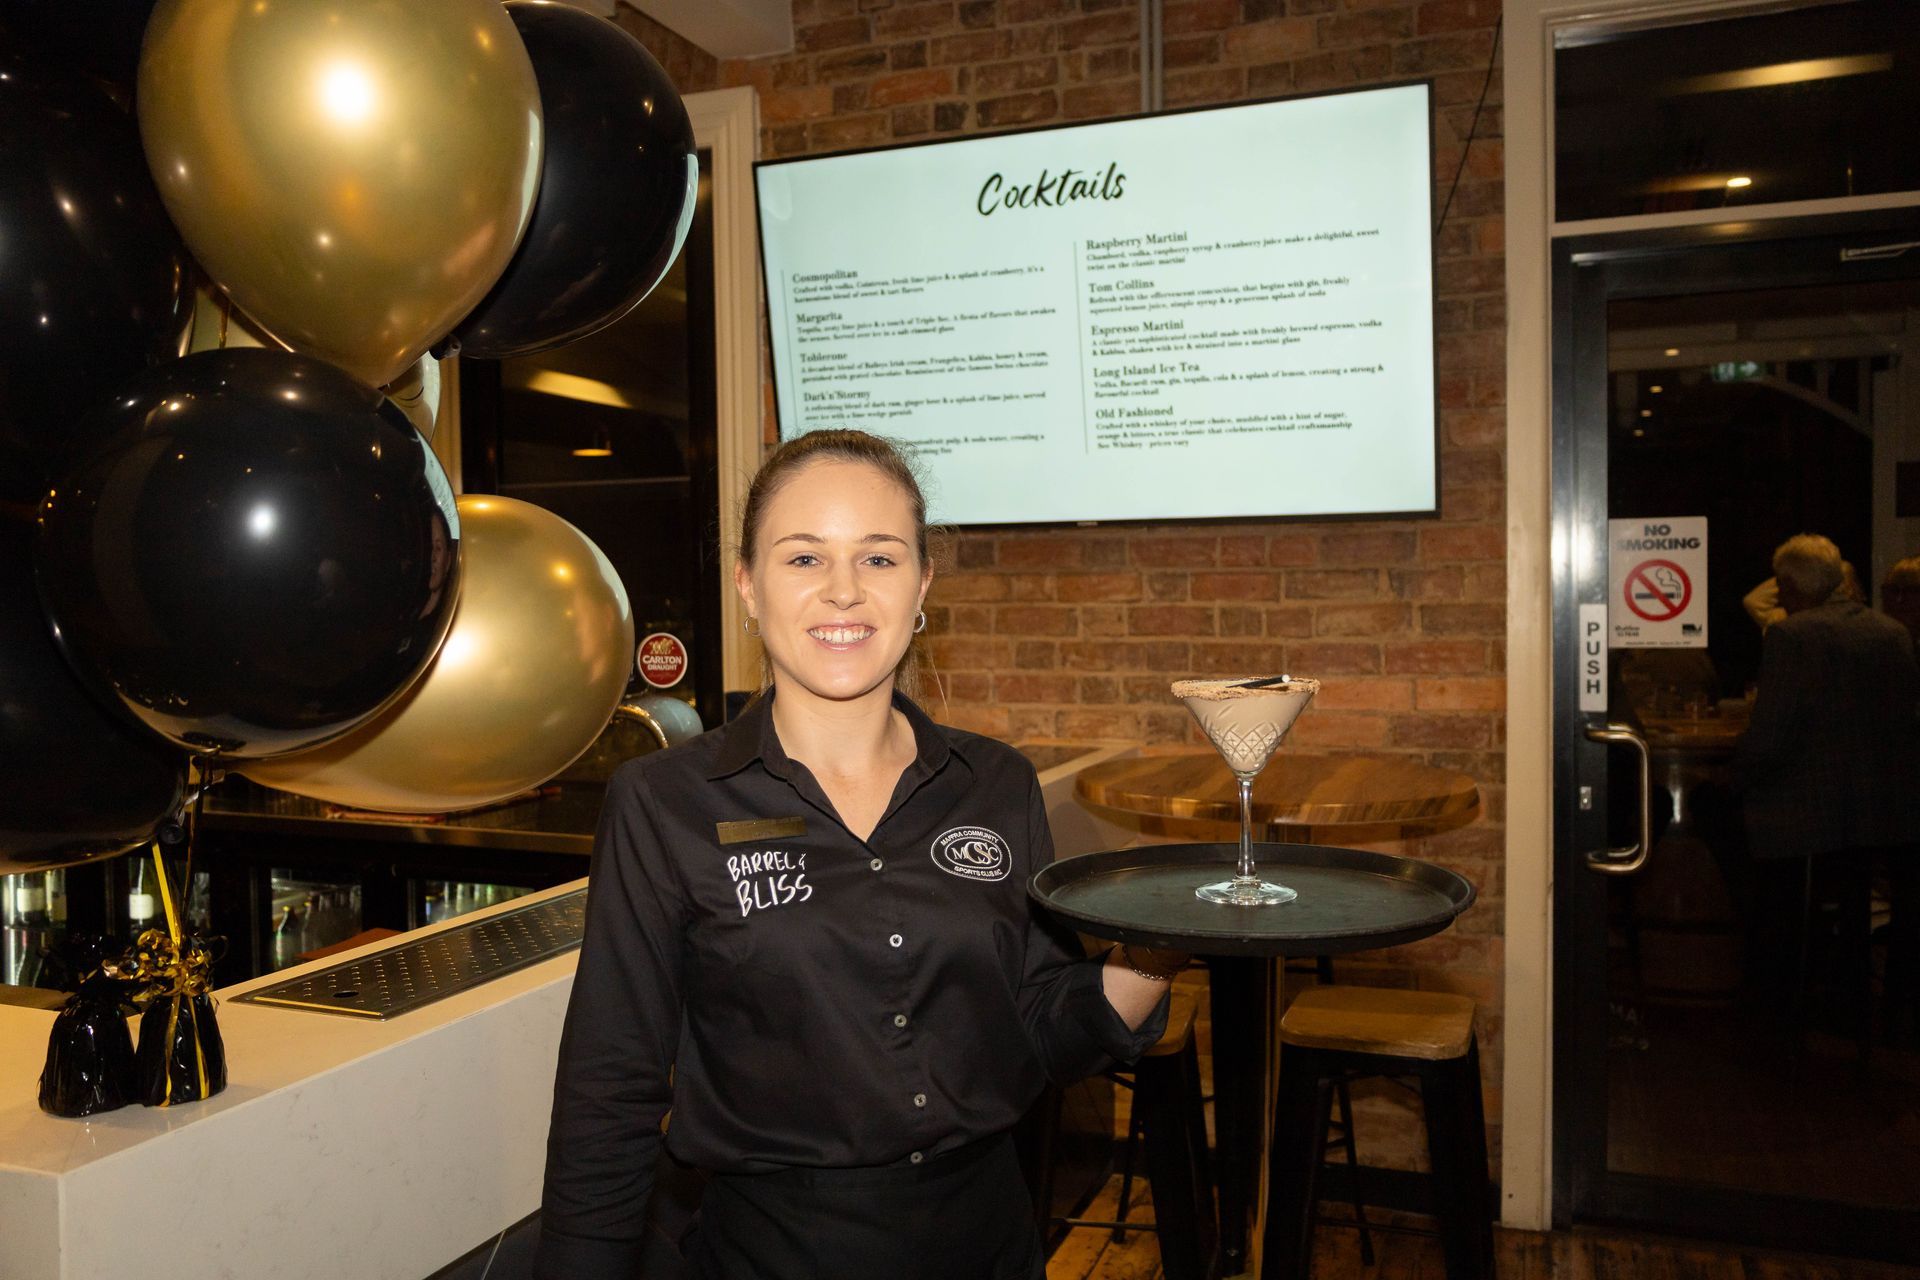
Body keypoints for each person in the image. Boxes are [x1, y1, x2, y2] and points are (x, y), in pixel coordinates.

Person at [534, 429, 1178, 1280]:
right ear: (749, 586)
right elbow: (608, 1091)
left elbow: (1040, 1029)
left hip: (988, 1241)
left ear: (922, 586)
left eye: (878, 559)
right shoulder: (664, 803)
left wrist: (1161, 947)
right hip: (774, 1253)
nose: (844, 591)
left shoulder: (996, 784)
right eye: (804, 560)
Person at [1735, 534, 1920, 1013]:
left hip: (1814, 819)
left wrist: (1742, 775)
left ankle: (1775, 990)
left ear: (1792, 586)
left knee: (1735, 833)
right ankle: (1855, 986)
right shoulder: (1892, 634)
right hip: (1883, 814)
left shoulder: (1792, 637)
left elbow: (1771, 739)